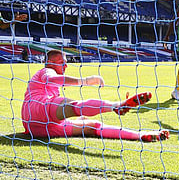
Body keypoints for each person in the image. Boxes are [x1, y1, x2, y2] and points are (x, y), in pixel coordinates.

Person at [21, 49, 169, 141]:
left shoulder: (49, 86)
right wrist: (85, 80)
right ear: (49, 62)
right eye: (61, 62)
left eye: (65, 62)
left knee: (93, 126)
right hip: (37, 109)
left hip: (38, 129)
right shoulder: (46, 71)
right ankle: (116, 105)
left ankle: (141, 135)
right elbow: (51, 79)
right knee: (74, 106)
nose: (65, 66)